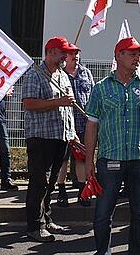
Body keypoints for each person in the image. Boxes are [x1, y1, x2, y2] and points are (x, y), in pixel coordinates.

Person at [83, 37, 140, 255]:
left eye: (138, 54)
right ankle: (103, 252)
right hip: (110, 158)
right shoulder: (101, 88)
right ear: (118, 56)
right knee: (103, 213)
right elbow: (91, 126)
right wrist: (88, 160)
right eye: (131, 53)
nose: (137, 58)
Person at [22, 36, 77, 242]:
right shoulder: (34, 74)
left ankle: (46, 218)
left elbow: (68, 108)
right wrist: (57, 102)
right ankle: (34, 226)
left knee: (51, 182)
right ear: (51, 51)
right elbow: (29, 103)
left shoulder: (62, 75)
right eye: (63, 52)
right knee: (39, 182)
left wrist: (72, 133)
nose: (66, 56)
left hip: (60, 137)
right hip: (41, 137)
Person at [56, 43, 93, 205]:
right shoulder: (59, 74)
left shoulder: (86, 73)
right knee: (63, 159)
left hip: (83, 124)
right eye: (71, 54)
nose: (75, 56)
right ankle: (61, 190)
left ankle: (82, 190)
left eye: (77, 53)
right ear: (65, 56)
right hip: (63, 124)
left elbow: (92, 95)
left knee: (81, 158)